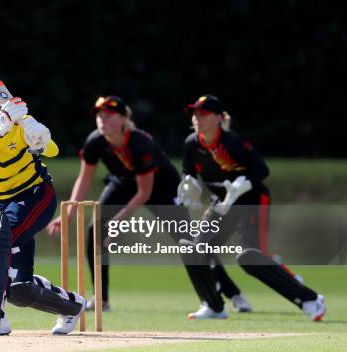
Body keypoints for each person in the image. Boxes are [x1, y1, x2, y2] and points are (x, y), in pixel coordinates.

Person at [46, 95, 250, 313]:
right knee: (95, 229)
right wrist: (68, 212)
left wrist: (117, 223)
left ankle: (231, 293)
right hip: (123, 183)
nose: (102, 121)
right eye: (99, 116)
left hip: (162, 188)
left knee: (189, 241)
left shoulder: (140, 143)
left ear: (124, 118)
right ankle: (101, 299)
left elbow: (145, 192)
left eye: (109, 116)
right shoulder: (95, 141)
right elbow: (84, 178)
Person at [178, 94, 326, 321]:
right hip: (222, 205)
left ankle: (310, 300)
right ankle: (213, 306)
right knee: (193, 249)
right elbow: (188, 170)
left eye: (204, 114)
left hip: (252, 201)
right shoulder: (191, 144)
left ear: (218, 118)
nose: (198, 118)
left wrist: (242, 185)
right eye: (195, 114)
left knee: (248, 257)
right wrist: (188, 183)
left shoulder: (233, 142)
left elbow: (261, 170)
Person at [0, 80, 86, 336]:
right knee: (21, 290)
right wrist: (0, 130)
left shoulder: (19, 125)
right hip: (4, 201)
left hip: (36, 196)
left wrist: (38, 134)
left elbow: (52, 150)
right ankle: (72, 306)